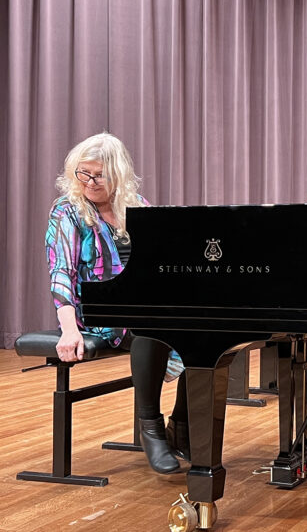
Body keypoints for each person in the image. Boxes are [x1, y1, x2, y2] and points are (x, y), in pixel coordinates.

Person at [46, 132, 189, 475]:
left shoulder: (136, 205)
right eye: (84, 173)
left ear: (118, 174)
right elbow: (61, 271)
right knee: (150, 325)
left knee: (203, 331)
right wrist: (68, 330)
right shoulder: (67, 210)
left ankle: (182, 426)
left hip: (141, 305)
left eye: (100, 175)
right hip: (97, 313)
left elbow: (161, 261)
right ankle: (151, 428)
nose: (90, 182)